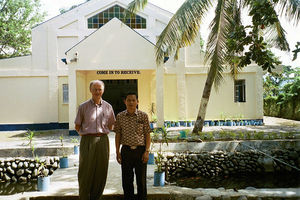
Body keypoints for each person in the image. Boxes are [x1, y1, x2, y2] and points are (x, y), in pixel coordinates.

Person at [74, 80, 115, 200]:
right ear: (90, 90)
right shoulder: (83, 107)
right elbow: (77, 126)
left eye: (100, 89)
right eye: (95, 89)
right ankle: (84, 197)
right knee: (85, 171)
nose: (97, 92)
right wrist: (87, 136)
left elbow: (112, 124)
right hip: (87, 140)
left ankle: (97, 197)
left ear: (103, 90)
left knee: (101, 171)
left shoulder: (108, 107)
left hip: (103, 141)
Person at [114, 92, 151, 200]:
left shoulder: (143, 116)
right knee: (127, 180)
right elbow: (118, 134)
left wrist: (147, 151)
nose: (131, 102)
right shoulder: (120, 116)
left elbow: (147, 134)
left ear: (137, 102)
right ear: (125, 102)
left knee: (141, 180)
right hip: (126, 151)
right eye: (128, 100)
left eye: (133, 100)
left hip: (140, 151)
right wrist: (117, 152)